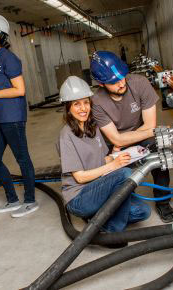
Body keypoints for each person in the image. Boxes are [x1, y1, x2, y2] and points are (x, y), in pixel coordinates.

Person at [90, 51, 173, 223]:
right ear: (101, 83)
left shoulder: (140, 83)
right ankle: (129, 200)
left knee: (159, 149)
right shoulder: (97, 102)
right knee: (114, 168)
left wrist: (146, 134)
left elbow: (150, 125)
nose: (121, 83)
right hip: (115, 143)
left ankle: (162, 201)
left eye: (122, 77)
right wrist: (122, 143)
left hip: (142, 132)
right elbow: (116, 139)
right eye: (114, 82)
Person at [57, 76, 151, 233]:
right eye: (76, 104)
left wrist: (117, 154)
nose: (83, 108)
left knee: (143, 211)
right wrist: (115, 165)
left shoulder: (92, 127)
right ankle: (112, 230)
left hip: (99, 190)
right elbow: (80, 177)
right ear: (68, 108)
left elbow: (102, 161)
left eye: (86, 102)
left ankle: (99, 217)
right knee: (124, 174)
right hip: (80, 198)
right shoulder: (66, 135)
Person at [0, 14, 38, 218]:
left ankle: (30, 201)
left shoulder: (9, 59)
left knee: (22, 159)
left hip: (13, 118)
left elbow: (19, 90)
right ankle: (12, 199)